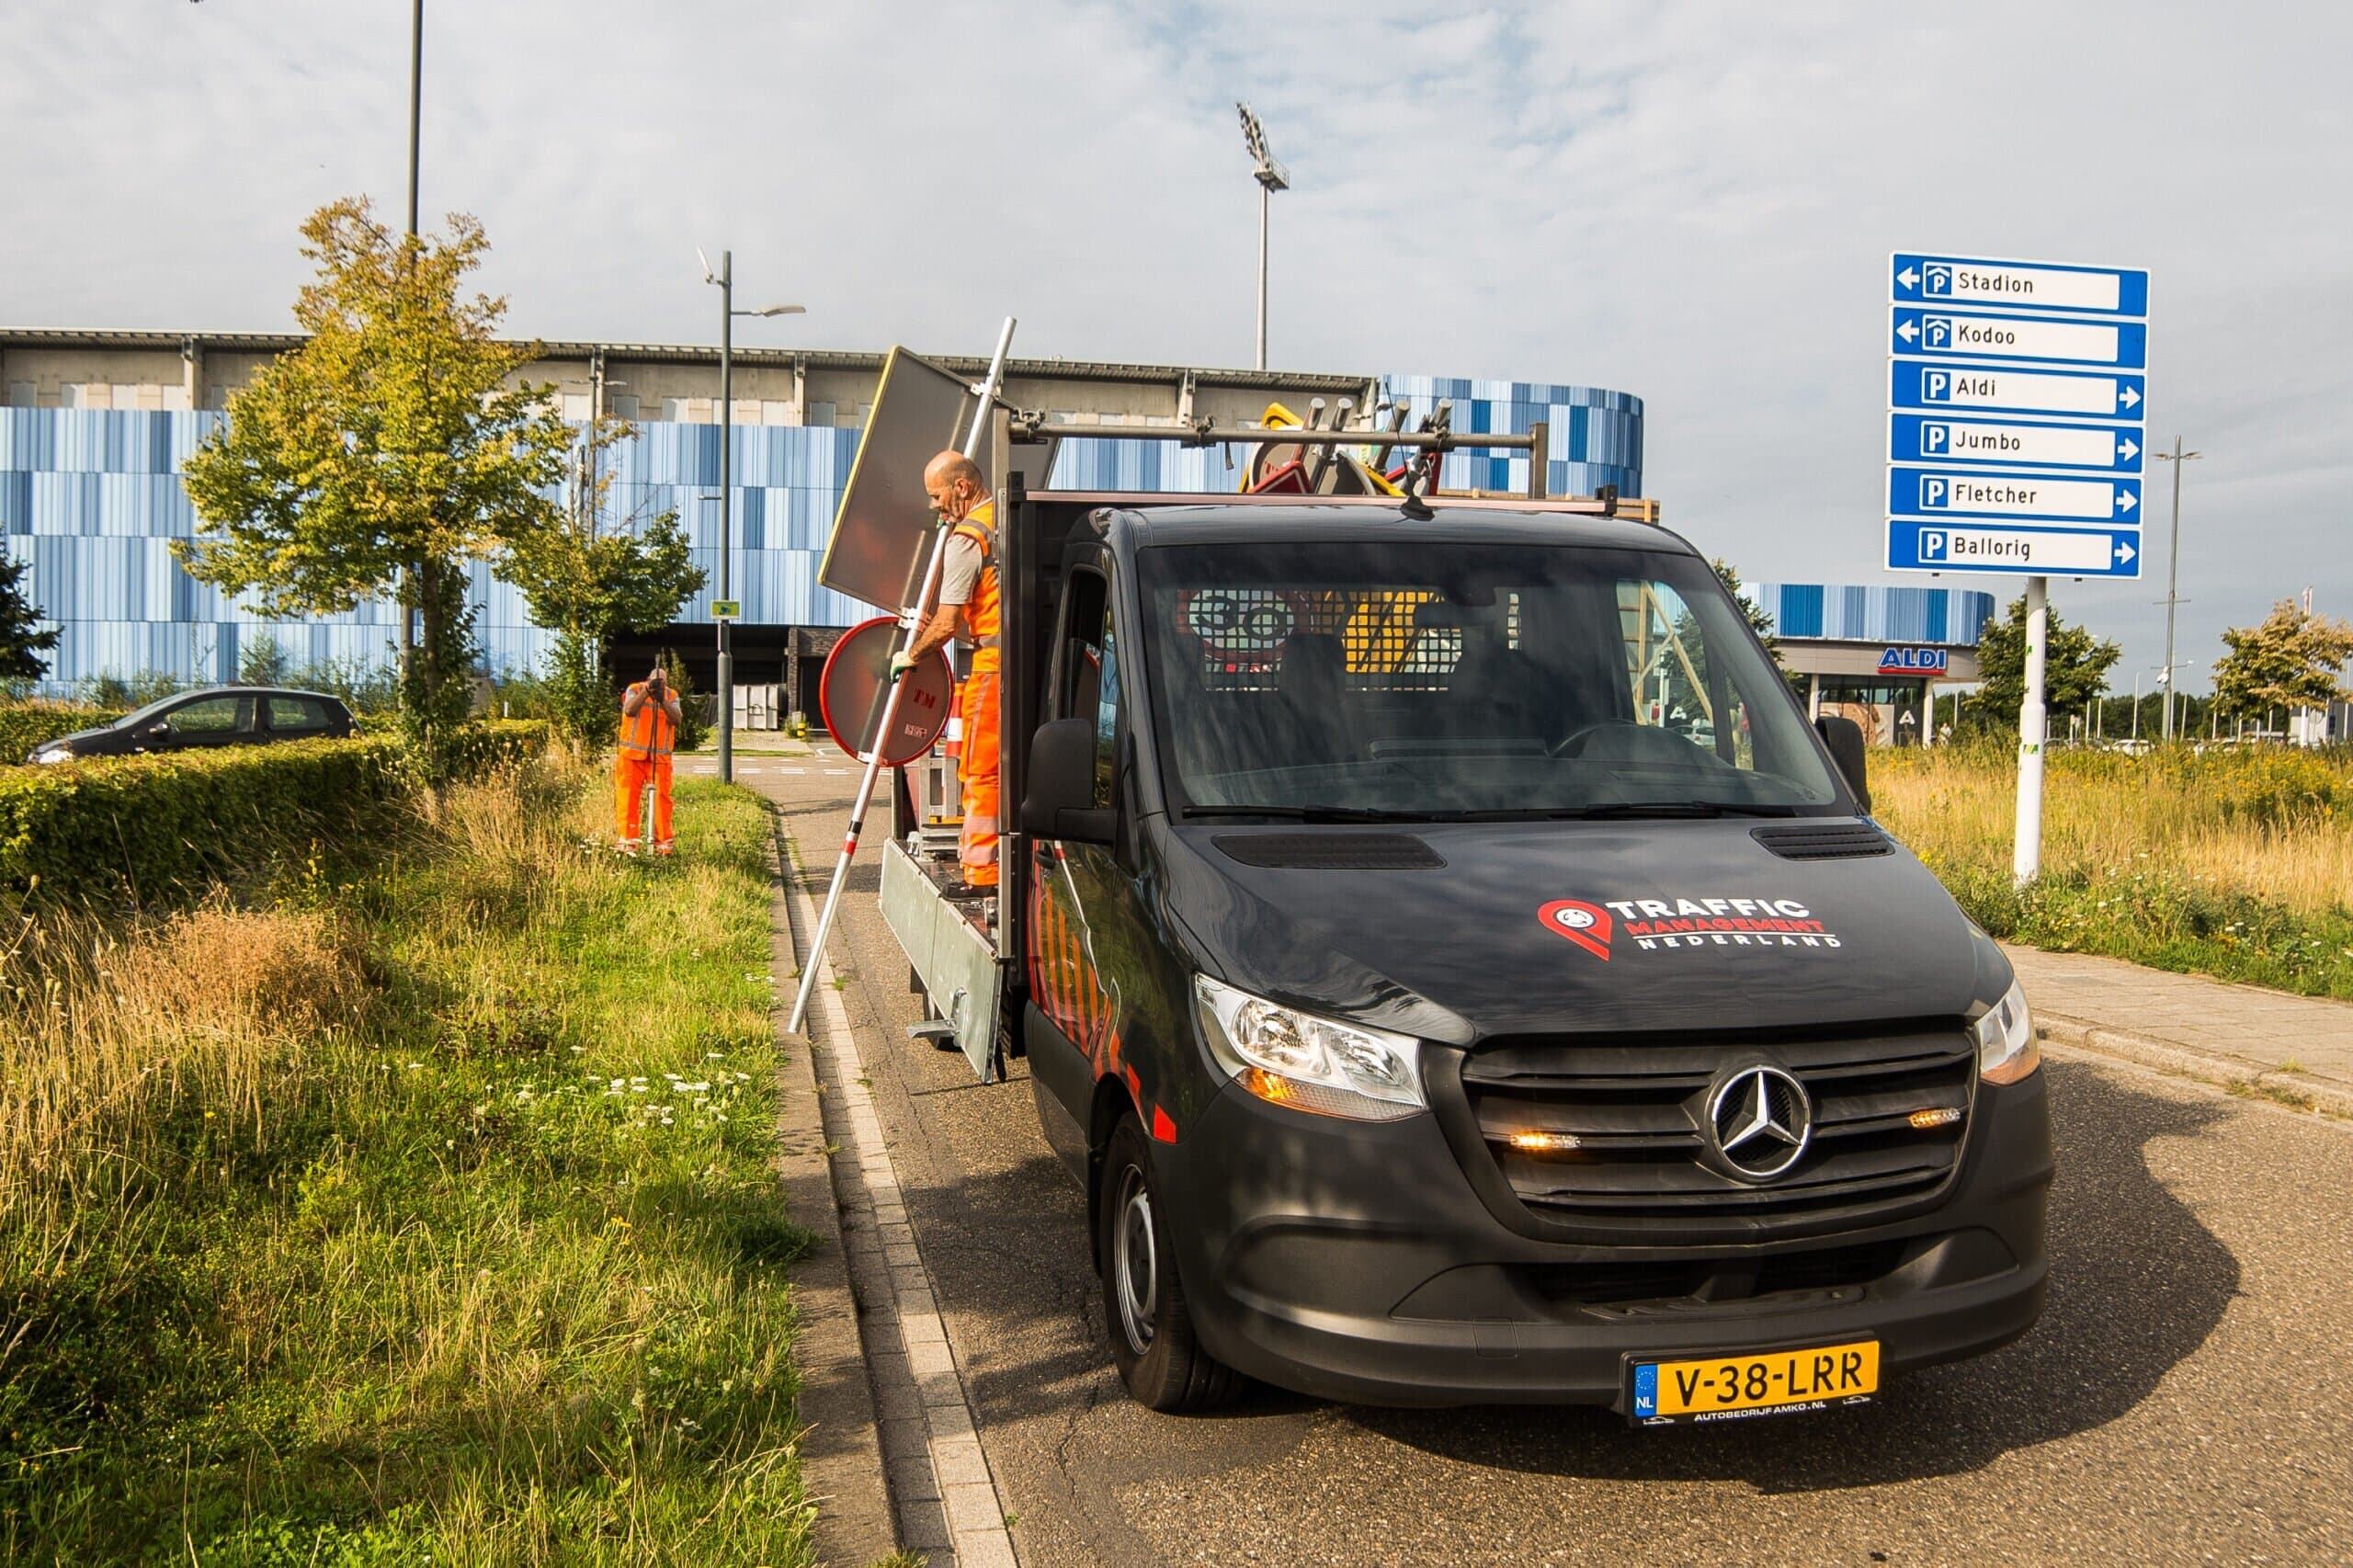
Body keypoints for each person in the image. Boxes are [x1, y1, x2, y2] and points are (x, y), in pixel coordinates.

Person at [896, 449, 1001, 891]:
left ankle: (984, 874)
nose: (934, 505)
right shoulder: (1006, 519)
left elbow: (947, 621)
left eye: (936, 495)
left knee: (981, 770)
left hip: (995, 669)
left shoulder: (967, 537)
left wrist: (911, 654)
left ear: (961, 487)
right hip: (1037, 667)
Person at [616, 663, 683, 857]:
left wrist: (662, 700)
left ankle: (663, 847)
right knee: (628, 800)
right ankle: (628, 844)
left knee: (662, 803)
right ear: (648, 679)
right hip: (631, 757)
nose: (659, 684)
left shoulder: (671, 696)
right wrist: (647, 691)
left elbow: (676, 719)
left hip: (659, 758)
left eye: (662, 682)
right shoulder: (635, 689)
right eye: (655, 680)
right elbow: (629, 710)